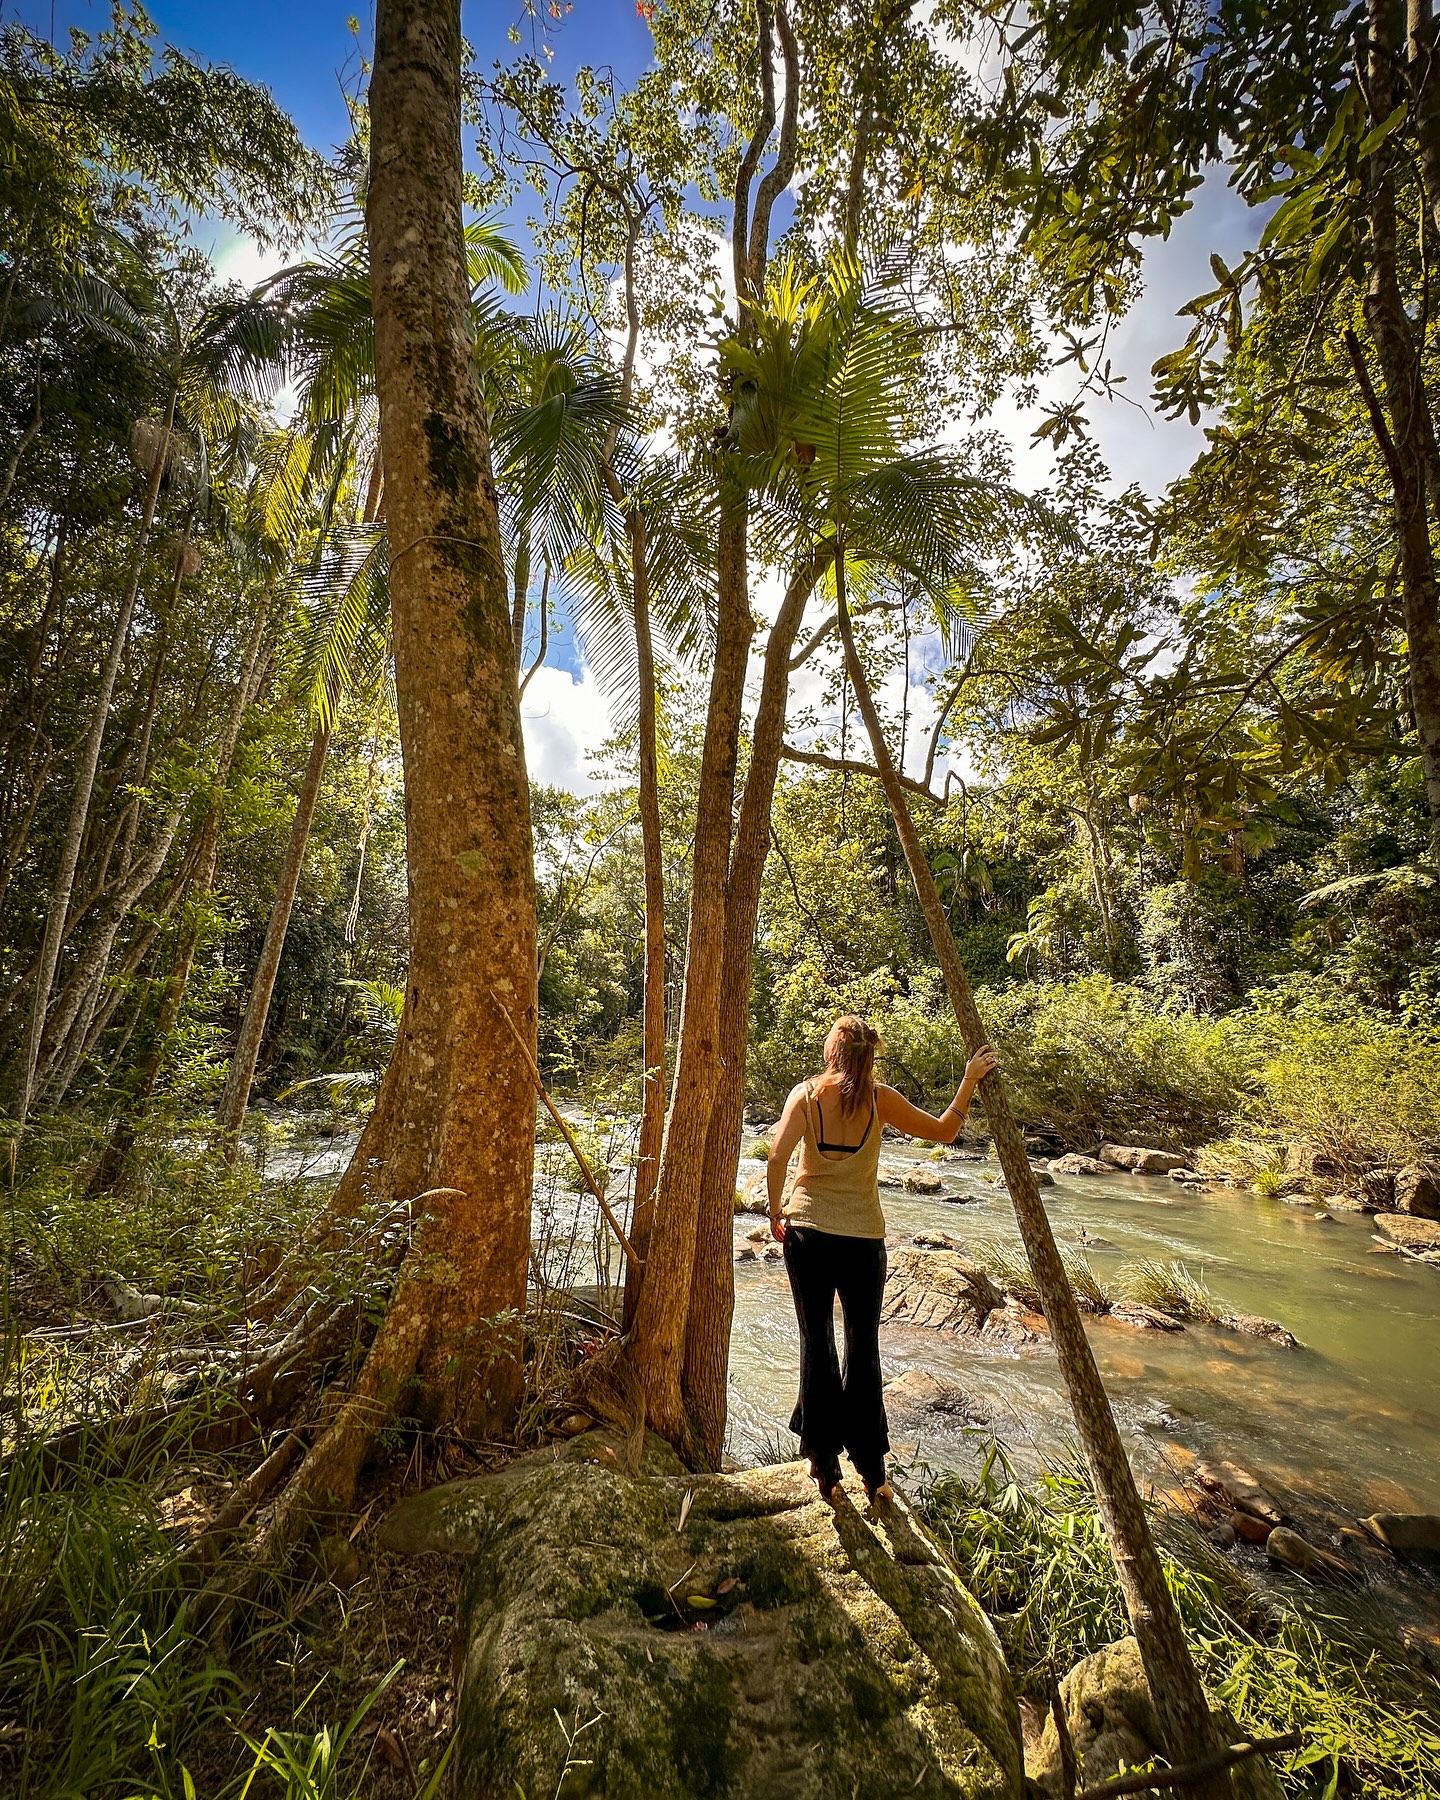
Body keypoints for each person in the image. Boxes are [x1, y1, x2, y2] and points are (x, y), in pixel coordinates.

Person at [766, 1015, 997, 1507]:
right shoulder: (881, 1099)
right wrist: (968, 1082)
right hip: (864, 1241)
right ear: (870, 1057)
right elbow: (944, 1132)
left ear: (832, 1053)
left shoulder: (805, 1096)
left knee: (817, 1343)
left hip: (808, 1234)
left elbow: (776, 1157)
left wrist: (774, 1210)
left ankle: (824, 1465)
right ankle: (872, 1472)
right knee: (863, 1350)